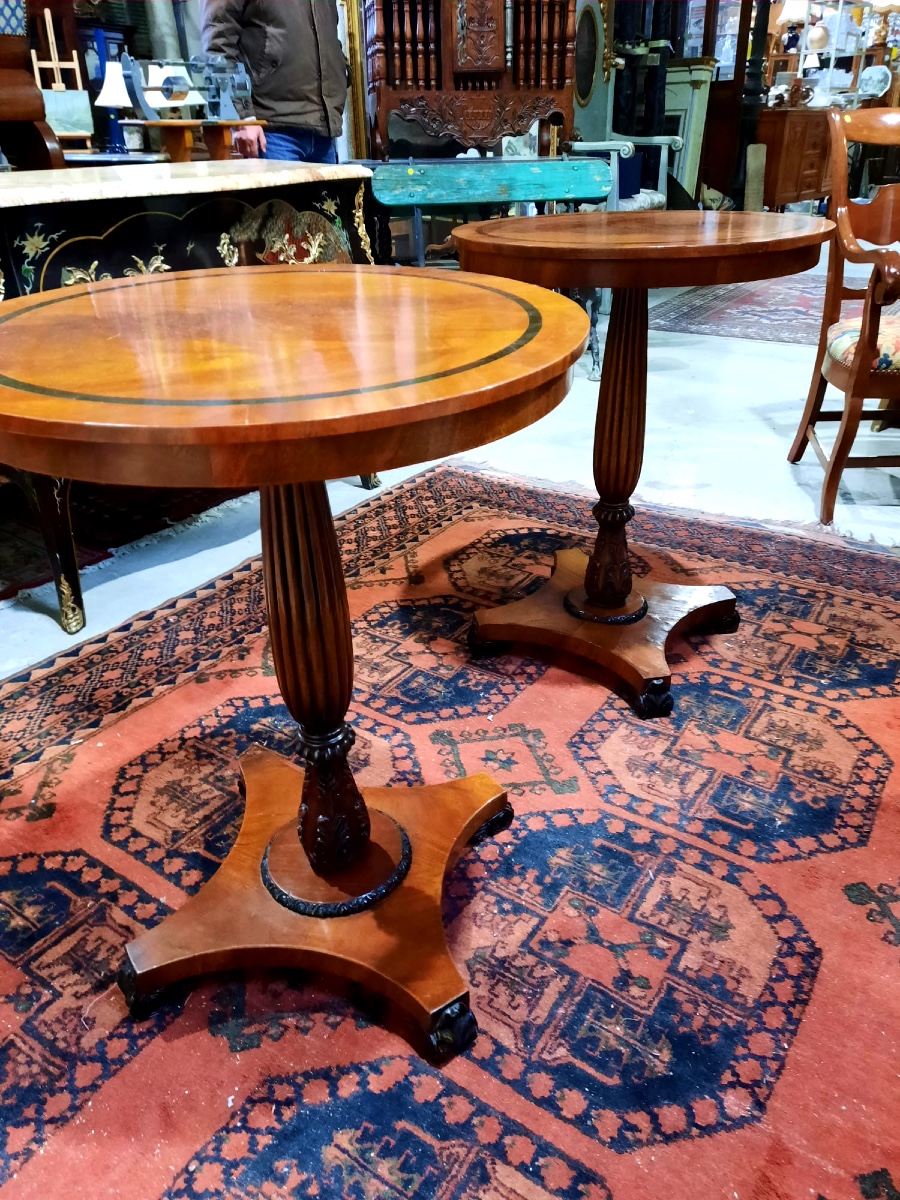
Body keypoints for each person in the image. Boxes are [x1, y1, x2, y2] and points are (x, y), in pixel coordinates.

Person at [200, 0, 348, 163]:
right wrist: (242, 117)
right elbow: (218, 48)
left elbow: (327, 38)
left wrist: (342, 69)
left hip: (322, 131)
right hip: (269, 130)